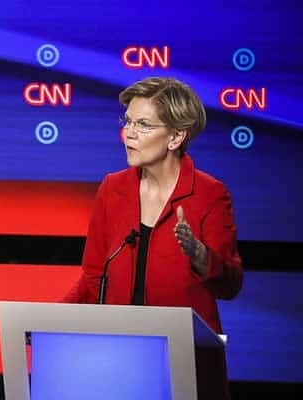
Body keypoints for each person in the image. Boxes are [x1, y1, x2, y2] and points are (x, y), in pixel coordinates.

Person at [63, 77, 243, 335]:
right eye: (128, 121)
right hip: (120, 348)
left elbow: (230, 285)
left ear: (176, 137)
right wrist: (48, 322)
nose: (129, 133)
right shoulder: (113, 188)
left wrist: (199, 255)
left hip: (184, 353)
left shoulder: (210, 194)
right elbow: (93, 278)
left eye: (143, 125)